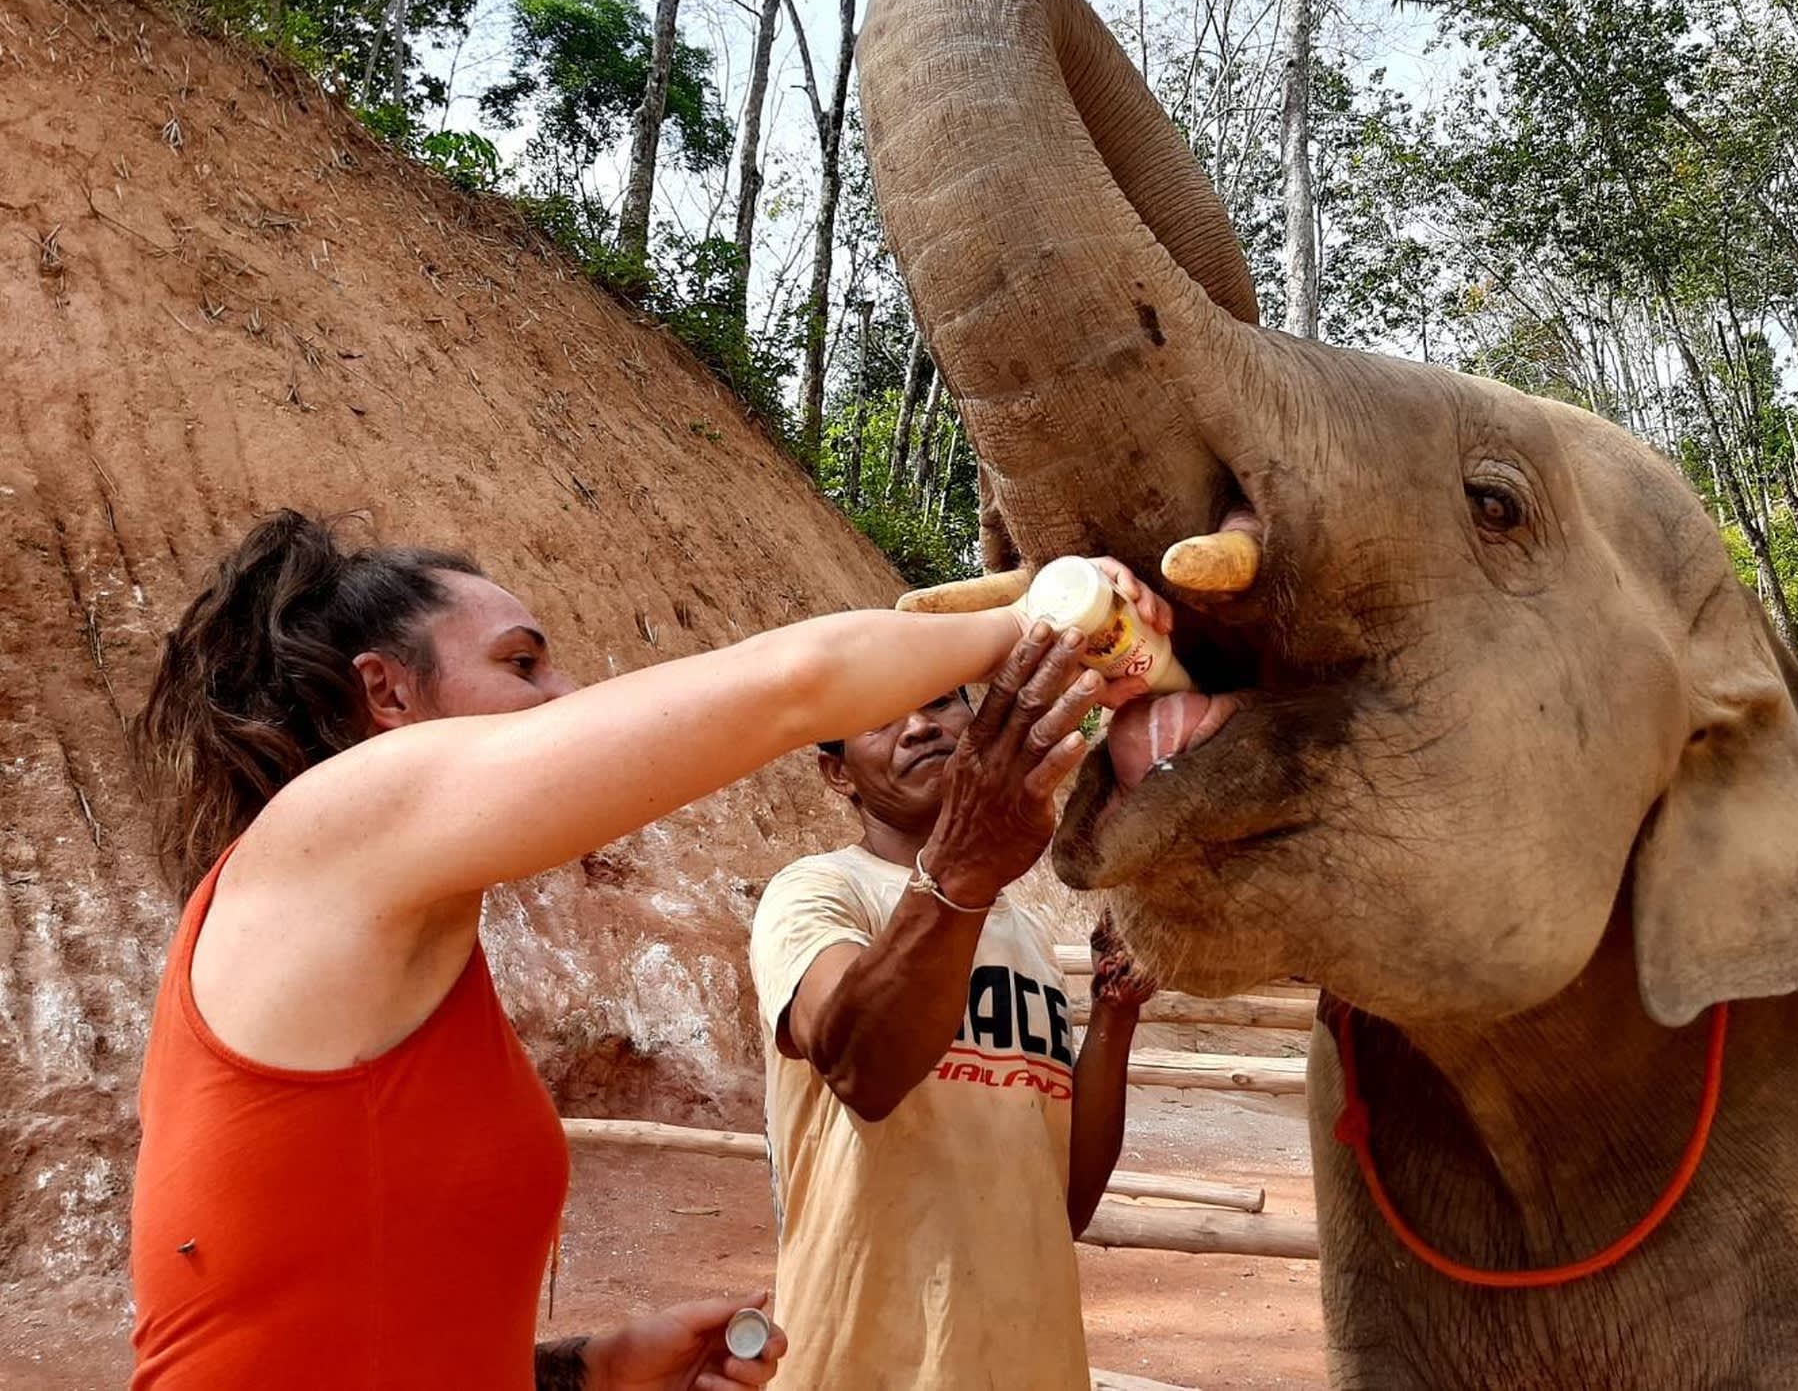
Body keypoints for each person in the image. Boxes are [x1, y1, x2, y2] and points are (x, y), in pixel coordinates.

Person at [128, 508, 1161, 1390]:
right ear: (387, 694)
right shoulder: (334, 826)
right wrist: (1052, 622)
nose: (566, 694)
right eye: (522, 663)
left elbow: (342, 1318)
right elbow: (795, 687)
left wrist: (583, 1370)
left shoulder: (397, 959)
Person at [747, 666, 1165, 1388]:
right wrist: (963, 868)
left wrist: (1115, 1011)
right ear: (837, 774)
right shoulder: (818, 893)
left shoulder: (1028, 939)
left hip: (1029, 1364)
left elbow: (1064, 1204)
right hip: (865, 1366)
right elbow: (863, 1070)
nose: (919, 726)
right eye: (879, 717)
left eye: (940, 701)